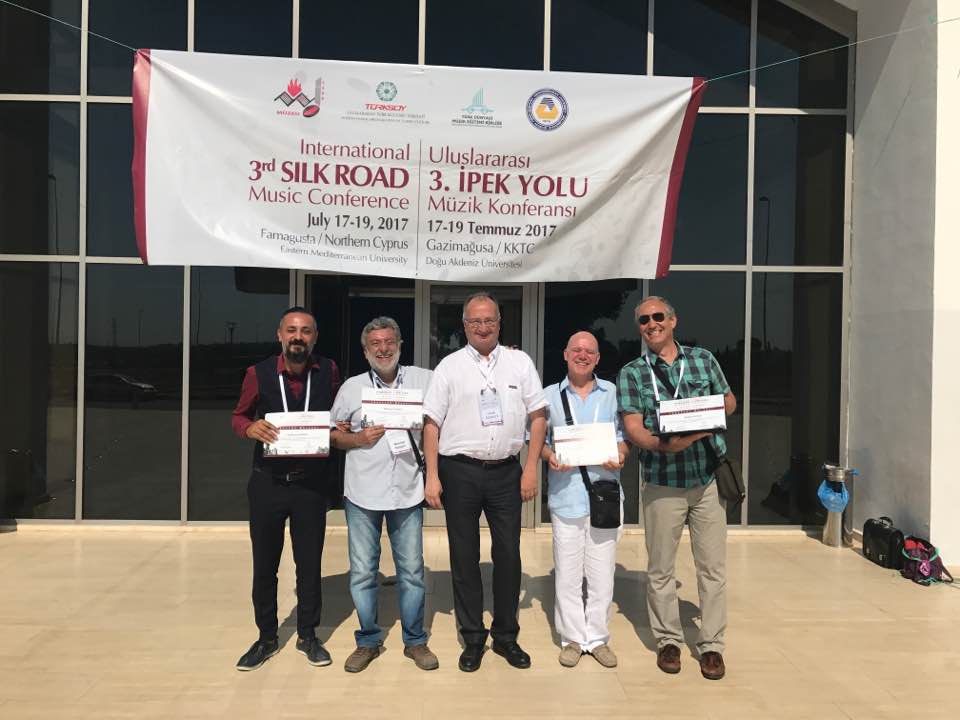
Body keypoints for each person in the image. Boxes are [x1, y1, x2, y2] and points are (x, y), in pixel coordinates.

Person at [422, 292, 548, 672]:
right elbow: (431, 423)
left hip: (506, 472)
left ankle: (506, 635)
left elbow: (538, 416)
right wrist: (432, 476)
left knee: (508, 554)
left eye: (489, 320)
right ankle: (473, 637)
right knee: (464, 556)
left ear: (499, 322)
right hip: (459, 471)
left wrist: (530, 469)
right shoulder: (448, 367)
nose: (482, 327)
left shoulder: (520, 363)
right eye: (475, 321)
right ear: (464, 325)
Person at [617, 296, 736, 681]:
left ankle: (712, 645)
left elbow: (729, 401)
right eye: (643, 320)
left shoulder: (703, 360)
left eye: (658, 317)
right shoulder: (633, 373)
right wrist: (664, 444)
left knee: (712, 568)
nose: (651, 324)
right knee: (660, 568)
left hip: (706, 480)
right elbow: (634, 428)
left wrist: (703, 417)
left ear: (672, 321)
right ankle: (668, 640)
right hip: (663, 482)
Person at [230, 306, 339, 671]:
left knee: (309, 564)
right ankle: (266, 637)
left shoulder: (329, 371)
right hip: (268, 483)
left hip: (310, 484)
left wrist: (340, 428)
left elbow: (336, 415)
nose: (298, 337)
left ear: (315, 337)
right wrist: (249, 428)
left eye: (305, 331)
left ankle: (308, 635)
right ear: (280, 335)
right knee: (265, 565)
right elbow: (238, 416)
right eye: (291, 330)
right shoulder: (257, 373)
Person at [329, 317, 439, 673]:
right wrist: (356, 438)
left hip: (407, 490)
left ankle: (415, 640)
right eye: (375, 343)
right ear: (365, 351)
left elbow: (455, 397)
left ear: (400, 345)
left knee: (412, 572)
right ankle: (368, 640)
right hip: (363, 492)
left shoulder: (425, 380)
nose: (383, 349)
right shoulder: (352, 388)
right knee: (363, 572)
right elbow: (332, 434)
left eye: (389, 342)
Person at [541, 331, 628, 668]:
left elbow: (623, 436)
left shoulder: (612, 393)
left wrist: (620, 455)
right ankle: (573, 639)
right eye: (576, 349)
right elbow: (536, 439)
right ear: (565, 355)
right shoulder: (549, 395)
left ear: (597, 358)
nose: (582, 355)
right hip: (567, 495)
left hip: (604, 494)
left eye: (589, 351)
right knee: (567, 574)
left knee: (602, 573)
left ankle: (598, 638)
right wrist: (550, 455)